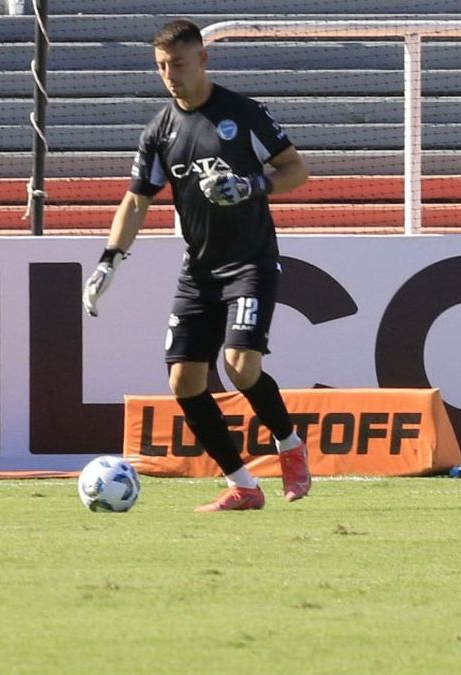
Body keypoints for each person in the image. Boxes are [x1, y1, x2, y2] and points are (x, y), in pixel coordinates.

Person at [81, 19, 312, 512]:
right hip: (199, 272)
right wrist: (108, 263)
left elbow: (297, 169)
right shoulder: (159, 131)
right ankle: (244, 486)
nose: (170, 74)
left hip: (250, 262)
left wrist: (251, 184)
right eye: (162, 66)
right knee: (184, 380)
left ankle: (290, 447)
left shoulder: (242, 114)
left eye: (179, 64)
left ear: (203, 60)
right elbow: (137, 200)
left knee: (239, 366)